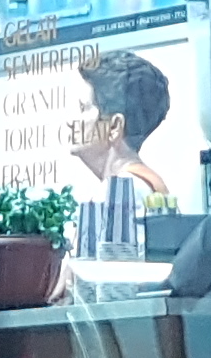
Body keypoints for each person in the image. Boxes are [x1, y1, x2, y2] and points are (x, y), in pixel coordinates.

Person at [68, 50, 178, 262]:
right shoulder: (147, 185)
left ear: (114, 126)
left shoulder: (120, 193)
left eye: (83, 108)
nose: (71, 122)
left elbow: (107, 279)